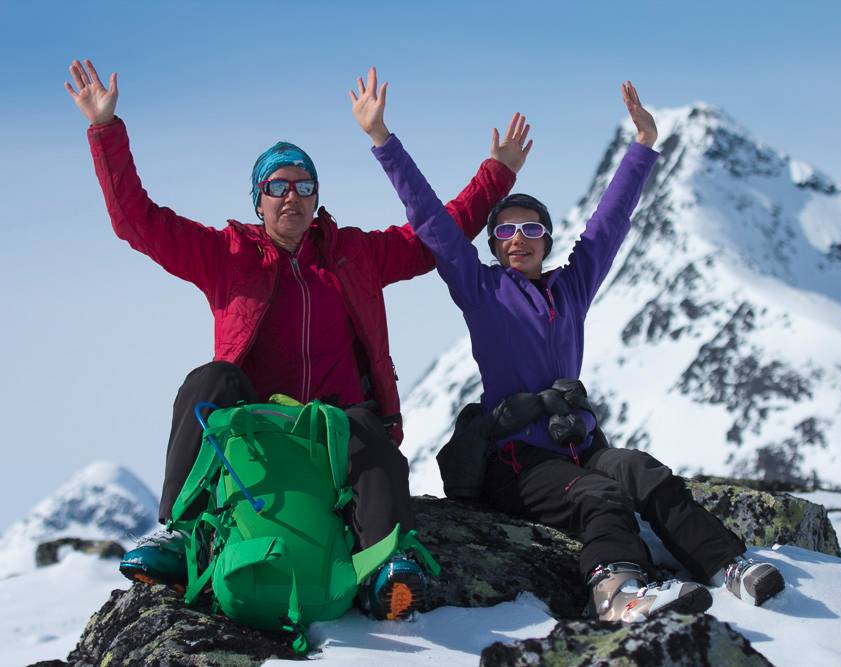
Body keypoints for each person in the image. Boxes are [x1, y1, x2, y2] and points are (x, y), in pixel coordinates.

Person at [65, 59, 531, 621]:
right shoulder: (226, 255)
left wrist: (497, 174)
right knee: (211, 380)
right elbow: (136, 221)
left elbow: (438, 232)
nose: (292, 197)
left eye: (303, 185)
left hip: (334, 429)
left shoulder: (353, 254)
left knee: (369, 424)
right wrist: (104, 130)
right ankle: (180, 532)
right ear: (258, 202)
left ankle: (388, 564)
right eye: (277, 187)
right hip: (256, 433)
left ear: (316, 197)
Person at [353, 70, 786, 621]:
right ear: (491, 244)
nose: (517, 239)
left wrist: (643, 147)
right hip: (515, 463)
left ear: (546, 241)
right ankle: (616, 590)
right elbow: (433, 223)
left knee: (640, 470)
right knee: (598, 496)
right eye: (505, 231)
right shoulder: (482, 290)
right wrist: (383, 141)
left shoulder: (570, 288)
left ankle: (726, 565)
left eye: (531, 231)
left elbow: (608, 227)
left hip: (577, 445)